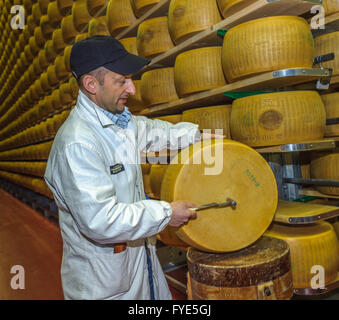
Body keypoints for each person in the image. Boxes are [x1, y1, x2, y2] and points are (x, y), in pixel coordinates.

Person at [44, 35, 219, 300]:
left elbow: (153, 131)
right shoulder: (77, 145)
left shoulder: (117, 121)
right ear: (91, 84)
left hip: (137, 261)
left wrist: (198, 137)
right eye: (121, 81)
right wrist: (166, 213)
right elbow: (101, 221)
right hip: (104, 283)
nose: (133, 89)